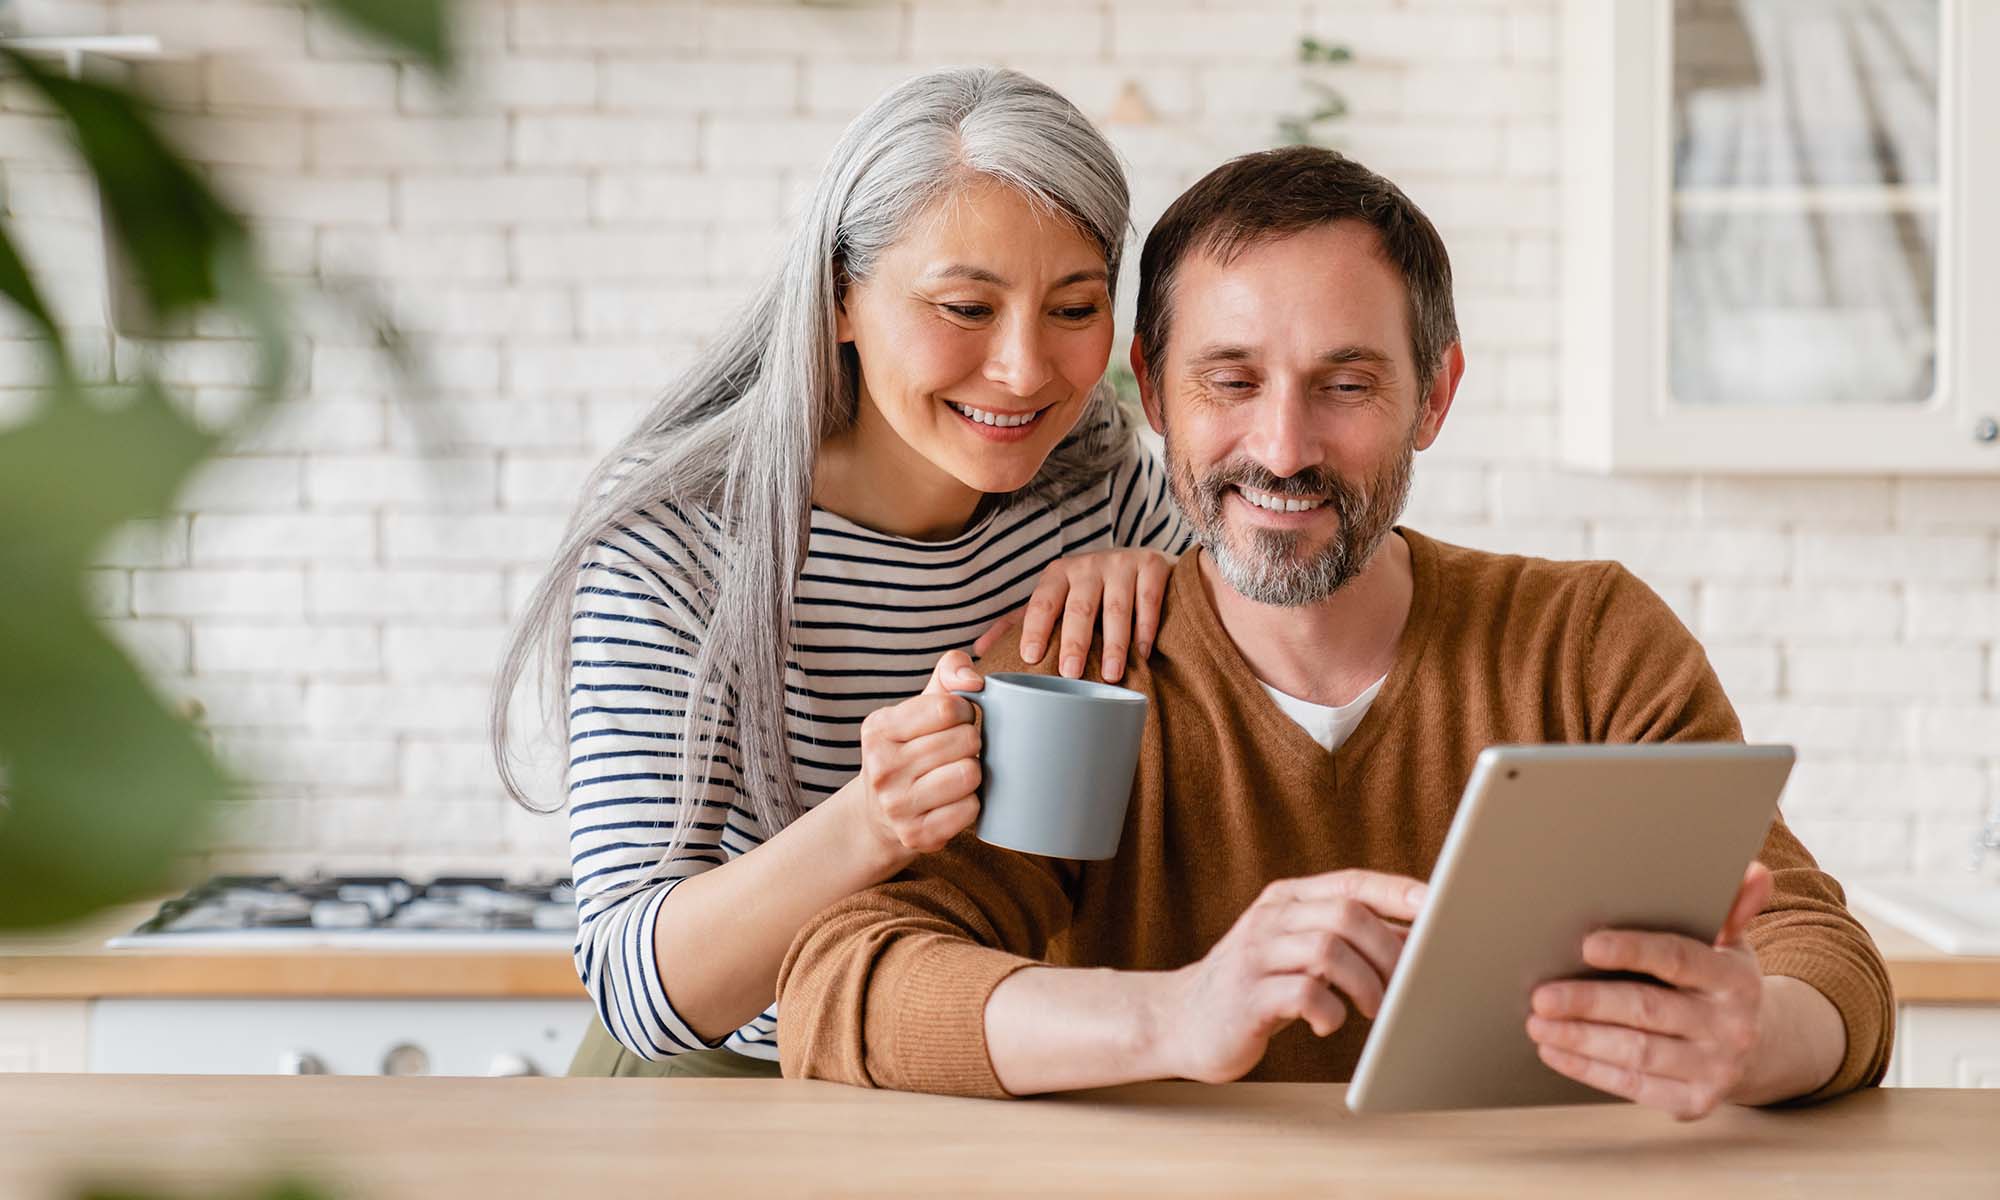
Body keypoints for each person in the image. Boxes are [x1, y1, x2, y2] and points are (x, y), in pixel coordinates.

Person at [776, 146, 1893, 1119]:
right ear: (1155, 399)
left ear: (1433, 397)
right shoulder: (1076, 668)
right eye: (1229, 380)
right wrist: (1176, 1015)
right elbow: (842, 986)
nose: (1283, 445)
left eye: (1344, 384)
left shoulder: (1585, 642)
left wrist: (1754, 1039)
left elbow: (1823, 960)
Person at [490, 68, 1191, 1078]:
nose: (1025, 369)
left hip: (970, 1062)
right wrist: (873, 820)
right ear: (838, 301)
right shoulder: (680, 536)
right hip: (726, 1080)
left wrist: (1169, 589)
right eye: (963, 306)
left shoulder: (1099, 489)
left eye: (1073, 307)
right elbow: (637, 989)